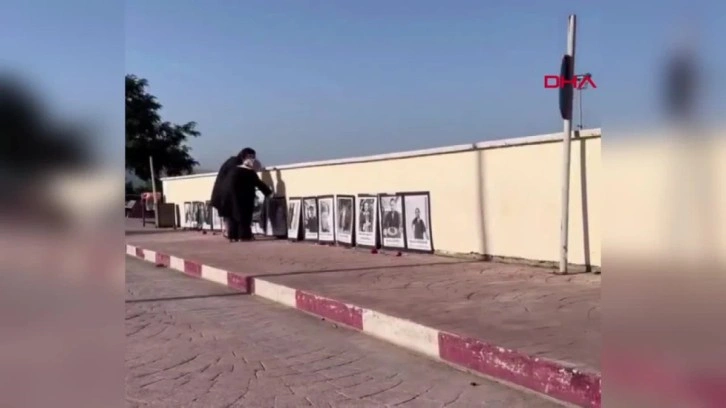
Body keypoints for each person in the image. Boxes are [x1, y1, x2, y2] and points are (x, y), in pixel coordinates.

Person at [210, 147, 257, 237]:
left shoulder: (233, 161)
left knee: (230, 214)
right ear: (245, 156)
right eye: (250, 156)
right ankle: (233, 233)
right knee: (232, 214)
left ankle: (231, 233)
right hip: (227, 193)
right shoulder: (236, 164)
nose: (252, 159)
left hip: (224, 193)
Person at [227, 157, 272, 242]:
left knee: (233, 216)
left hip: (231, 198)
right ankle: (244, 236)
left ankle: (232, 236)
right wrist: (268, 193)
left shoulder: (233, 170)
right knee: (244, 217)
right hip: (245, 198)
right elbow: (259, 183)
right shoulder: (249, 172)